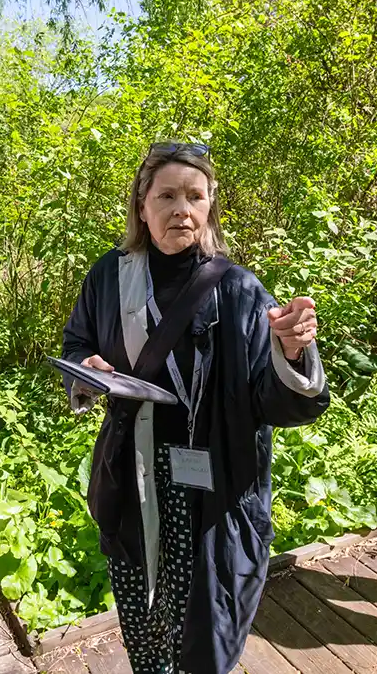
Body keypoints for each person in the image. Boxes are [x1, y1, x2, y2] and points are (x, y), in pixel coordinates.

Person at [60, 142, 330, 673]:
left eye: (194, 196)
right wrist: (85, 370)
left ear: (209, 207)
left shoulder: (238, 290)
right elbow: (77, 343)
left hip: (214, 483)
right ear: (142, 206)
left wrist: (293, 350)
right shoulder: (110, 276)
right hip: (134, 472)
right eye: (166, 196)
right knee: (141, 603)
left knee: (208, 621)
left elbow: (276, 403)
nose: (180, 209)